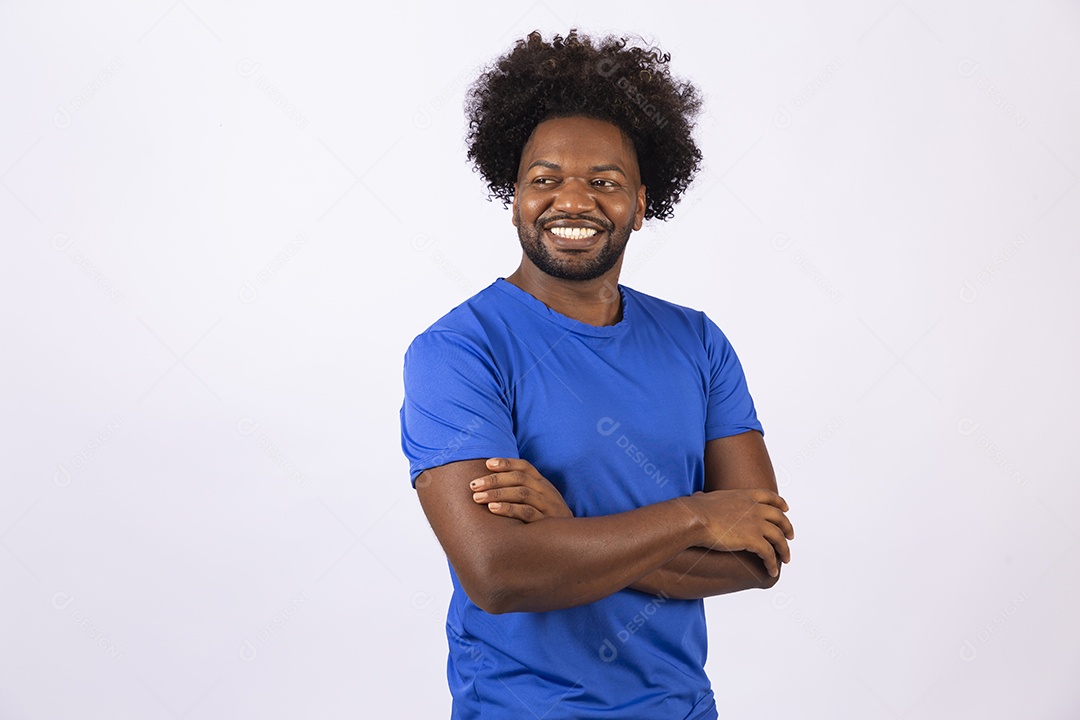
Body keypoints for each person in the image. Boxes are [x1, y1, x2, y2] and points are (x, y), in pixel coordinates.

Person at [400, 29, 794, 720]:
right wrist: (697, 516)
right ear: (514, 195)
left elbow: (758, 556)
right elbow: (499, 573)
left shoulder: (698, 342)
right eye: (544, 179)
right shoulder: (459, 351)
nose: (572, 201)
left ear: (641, 203)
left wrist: (568, 528)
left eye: (603, 182)